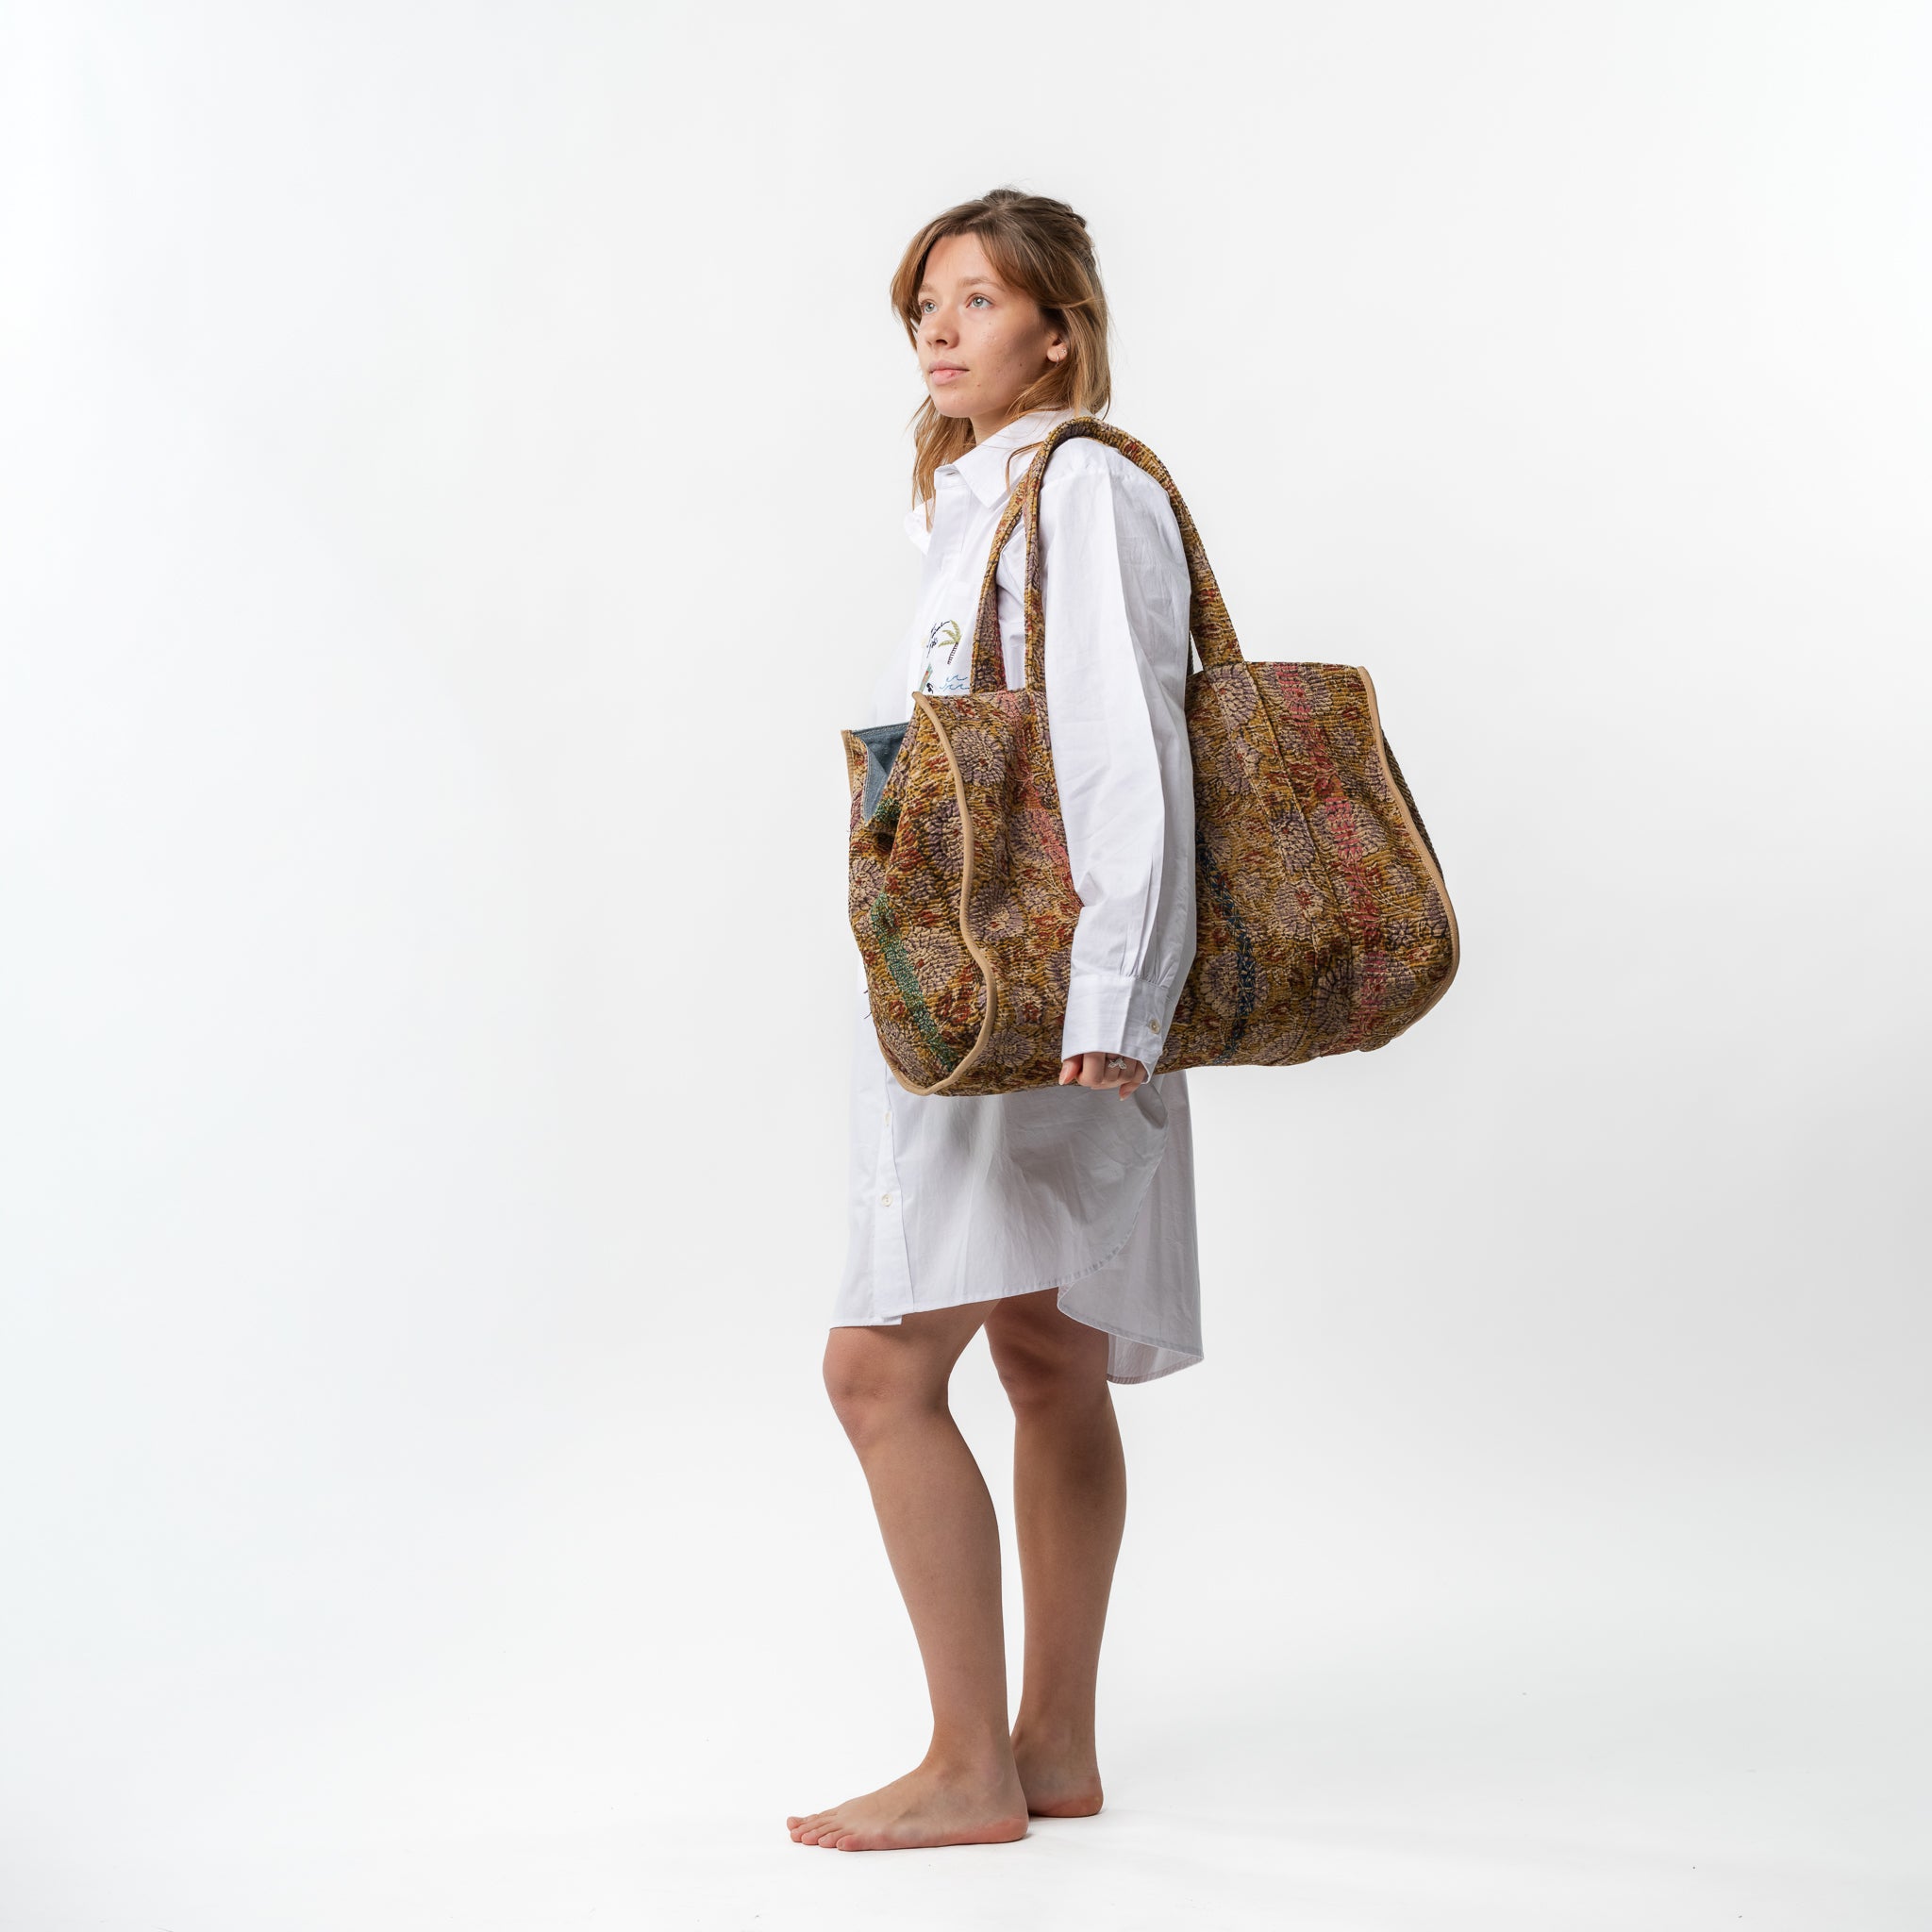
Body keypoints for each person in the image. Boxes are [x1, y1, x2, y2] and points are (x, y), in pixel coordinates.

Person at [788, 189, 1201, 1854]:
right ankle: (1048, 1752)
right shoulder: (974, 504)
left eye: (977, 299)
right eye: (924, 305)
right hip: (1018, 996)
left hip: (1051, 1006)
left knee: (878, 1373)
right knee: (1043, 1355)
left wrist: (1117, 996)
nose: (940, 329)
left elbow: (1126, 747)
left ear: (1059, 327)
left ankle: (970, 1765)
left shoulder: (1079, 485)